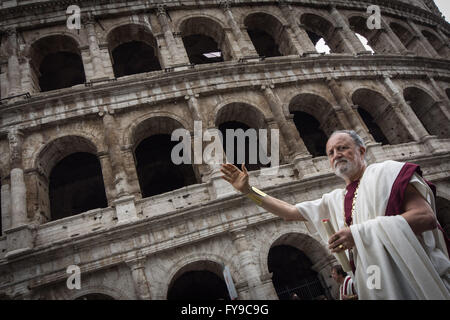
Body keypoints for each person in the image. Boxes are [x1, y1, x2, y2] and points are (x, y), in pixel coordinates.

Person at [220, 130, 450, 299]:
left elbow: (425, 218)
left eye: (343, 148)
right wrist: (250, 191)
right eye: (331, 152)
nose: (336, 154)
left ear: (361, 150)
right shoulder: (335, 200)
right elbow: (289, 212)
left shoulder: (389, 173)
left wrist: (357, 234)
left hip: (414, 277)